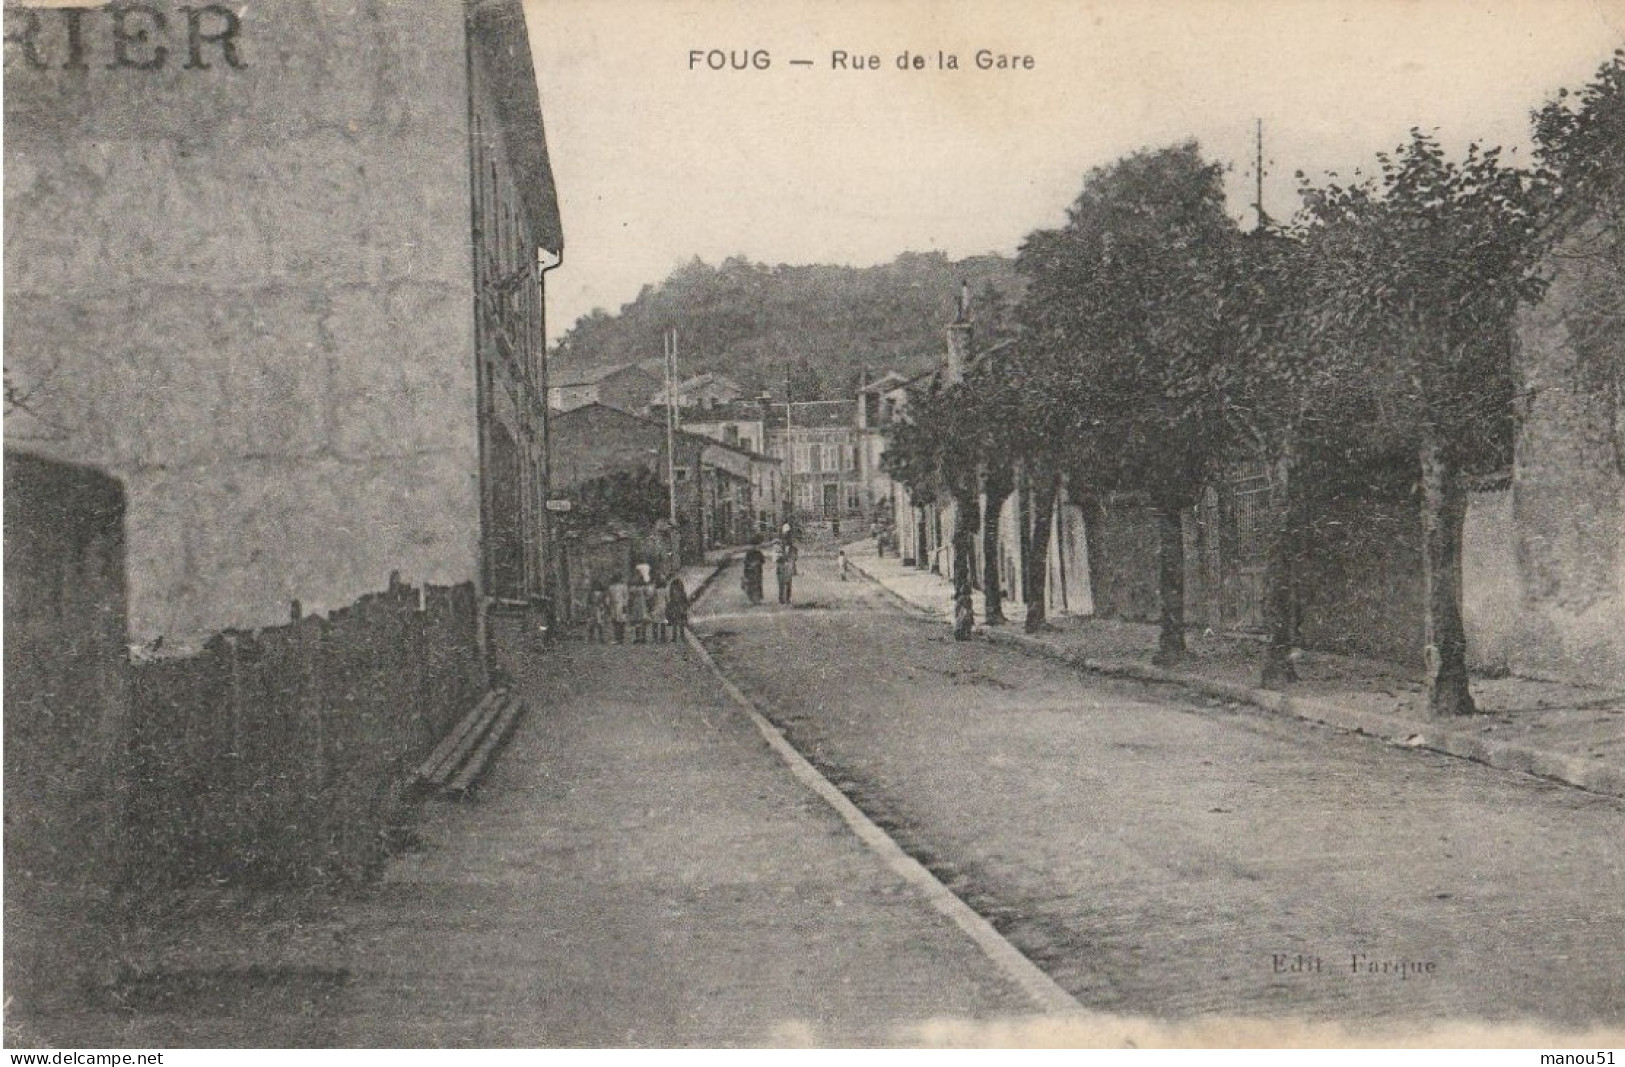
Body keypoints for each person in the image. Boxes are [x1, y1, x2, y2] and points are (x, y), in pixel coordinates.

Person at [628, 570, 651, 643]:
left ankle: (639, 637)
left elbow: (630, 594)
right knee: (642, 620)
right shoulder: (644, 587)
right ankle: (643, 637)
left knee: (637, 620)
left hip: (637, 603)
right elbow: (648, 595)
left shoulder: (634, 588)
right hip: (642, 603)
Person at [666, 575, 690, 642]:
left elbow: (685, 601)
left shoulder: (678, 593)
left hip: (678, 609)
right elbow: (686, 601)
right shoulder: (682, 593)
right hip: (678, 609)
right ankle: (680, 637)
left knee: (677, 624)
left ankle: (677, 637)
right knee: (679, 624)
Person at [607, 574, 630, 644]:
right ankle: (618, 638)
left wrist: (625, 606)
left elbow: (626, 597)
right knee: (617, 622)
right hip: (615, 605)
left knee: (620, 622)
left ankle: (620, 638)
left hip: (620, 605)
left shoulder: (622, 587)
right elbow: (609, 597)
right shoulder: (611, 587)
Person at [776, 538, 798, 605]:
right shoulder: (779, 548)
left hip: (788, 568)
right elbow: (776, 558)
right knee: (781, 585)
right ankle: (781, 600)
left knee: (788, 584)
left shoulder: (794, 549)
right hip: (781, 568)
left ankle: (787, 600)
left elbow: (795, 558)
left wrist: (791, 565)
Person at [650, 578, 669, 643]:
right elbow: (667, 600)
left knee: (655, 623)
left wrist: (652, 607)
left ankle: (655, 638)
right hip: (663, 607)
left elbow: (652, 599)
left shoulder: (655, 591)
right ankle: (663, 638)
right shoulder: (665, 590)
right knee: (663, 622)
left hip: (656, 607)